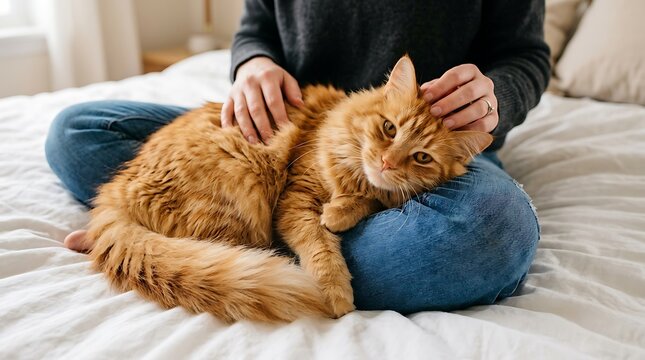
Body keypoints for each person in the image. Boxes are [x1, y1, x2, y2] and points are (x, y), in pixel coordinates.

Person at [45, 0, 549, 314]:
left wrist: (495, 96)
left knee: (494, 227)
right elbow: (256, 24)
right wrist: (253, 63)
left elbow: (526, 56)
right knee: (76, 130)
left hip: (443, 136)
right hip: (302, 117)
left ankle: (211, 238)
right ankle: (282, 243)